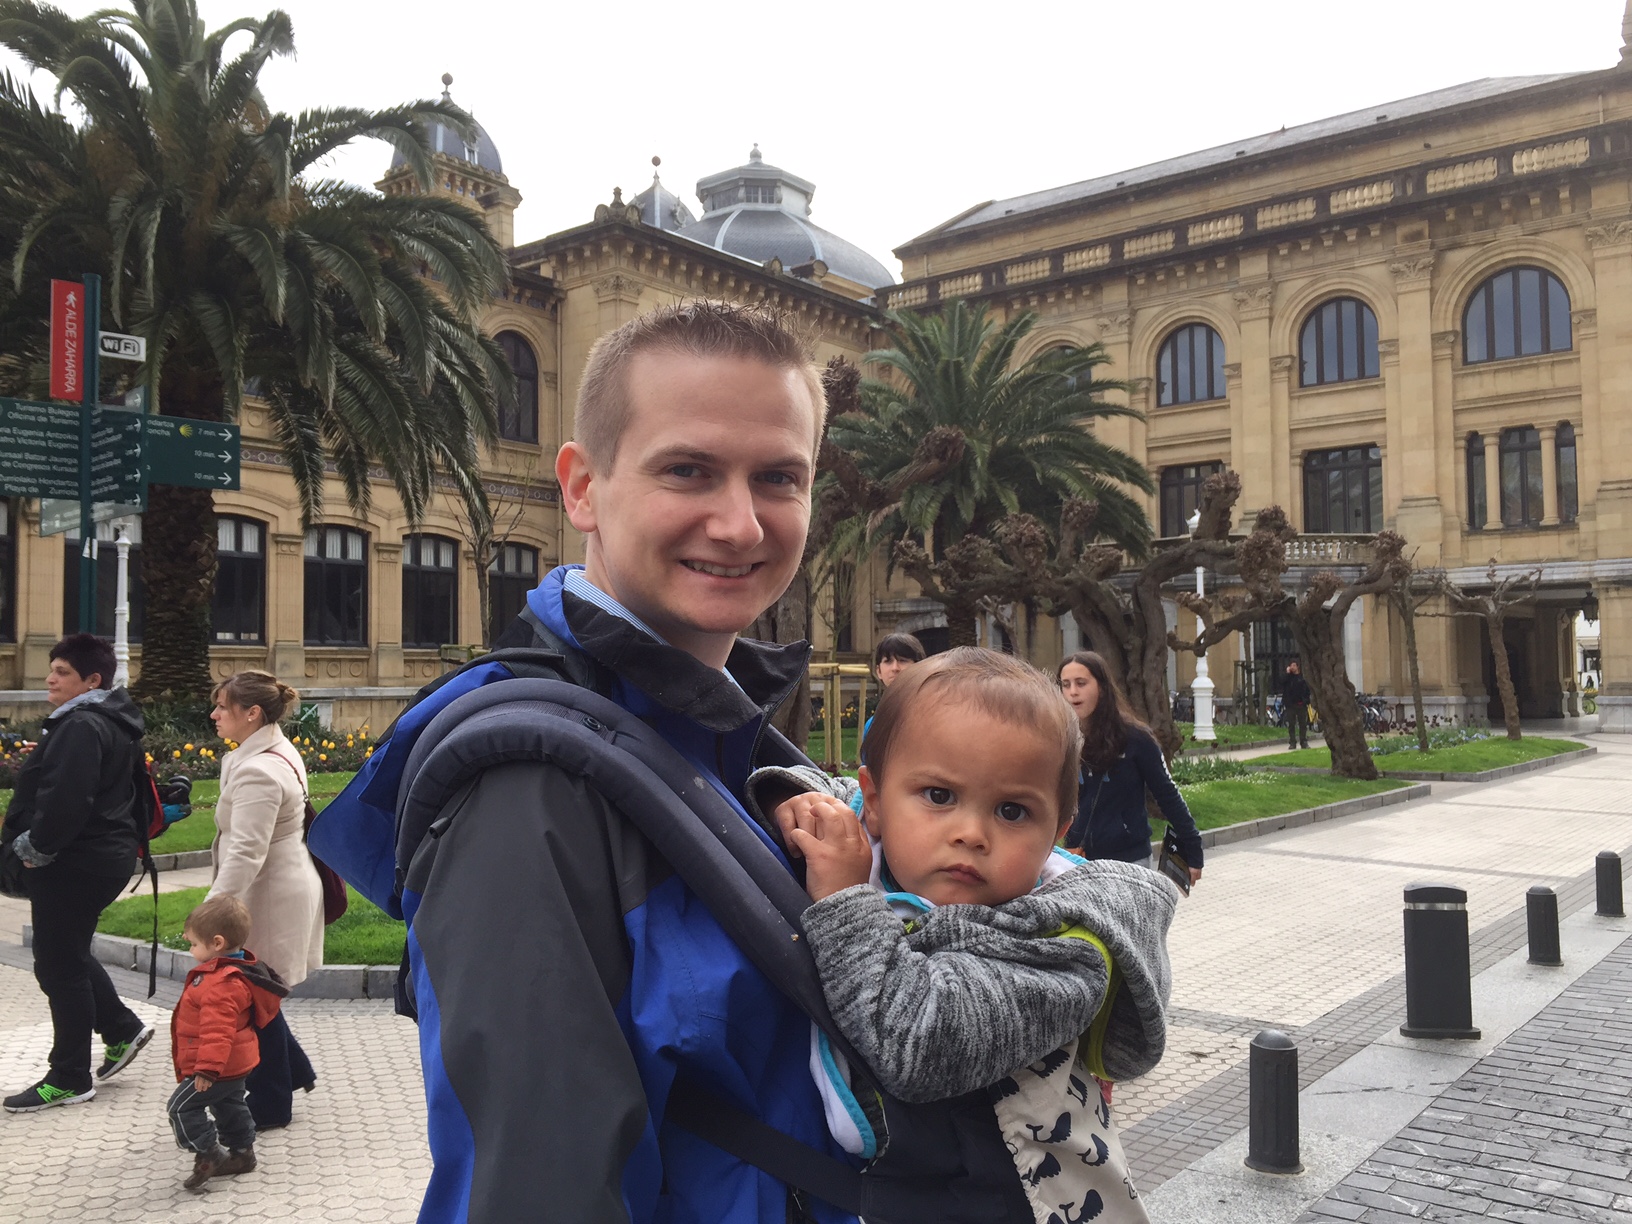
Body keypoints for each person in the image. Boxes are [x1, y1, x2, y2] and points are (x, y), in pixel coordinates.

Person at [387, 302, 1047, 1223]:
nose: (740, 525)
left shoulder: (726, 741)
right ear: (582, 488)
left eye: (778, 478)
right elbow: (537, 1187)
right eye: (688, 470)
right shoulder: (531, 788)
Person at [761, 648, 1176, 1223]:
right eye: (939, 796)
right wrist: (793, 803)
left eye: (1012, 811)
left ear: (1058, 831)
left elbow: (918, 1044)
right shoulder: (873, 836)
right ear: (875, 804)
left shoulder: (1061, 953)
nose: (972, 833)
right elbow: (826, 788)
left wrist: (843, 899)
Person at [1, 633, 153, 1113]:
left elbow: (66, 798)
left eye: (62, 672)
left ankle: (69, 1077)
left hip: (74, 862)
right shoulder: (104, 719)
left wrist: (35, 849)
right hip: (99, 857)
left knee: (58, 967)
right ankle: (121, 1029)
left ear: (92, 680)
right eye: (52, 668)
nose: (50, 678)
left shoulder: (82, 725)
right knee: (66, 951)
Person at [205, 671, 320, 1130]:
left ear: (252, 713)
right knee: (260, 991)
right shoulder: (265, 751)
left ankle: (272, 1104)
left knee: (254, 997)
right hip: (275, 885)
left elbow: (246, 851)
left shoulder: (259, 770)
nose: (214, 714)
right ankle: (296, 1072)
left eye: (222, 706)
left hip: (270, 894)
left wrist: (212, 912)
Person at [167, 894, 287, 1190]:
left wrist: (207, 1069)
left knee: (180, 1108)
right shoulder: (232, 973)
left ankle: (209, 1153)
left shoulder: (220, 984)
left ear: (217, 943)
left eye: (194, 944)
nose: (191, 949)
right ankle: (242, 1154)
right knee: (229, 1107)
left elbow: (218, 1031)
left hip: (217, 1067)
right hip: (236, 1063)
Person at [1056, 651, 1203, 884]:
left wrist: (1193, 851)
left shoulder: (1136, 738)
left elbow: (1168, 795)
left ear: (1102, 687)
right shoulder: (1062, 738)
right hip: (1078, 860)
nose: (1073, 691)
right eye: (1066, 684)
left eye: (1081, 683)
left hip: (1129, 861)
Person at [861, 631, 924, 739]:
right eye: (888, 661)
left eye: (902, 660)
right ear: (878, 671)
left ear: (919, 667)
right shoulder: (873, 725)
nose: (895, 668)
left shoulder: (932, 717)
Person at [1283, 660, 1312, 751]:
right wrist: (1287, 674)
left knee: (1303, 724)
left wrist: (1305, 701)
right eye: (1291, 665)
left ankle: (1303, 742)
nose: (1292, 667)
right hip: (1290, 705)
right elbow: (1282, 683)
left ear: (1297, 667)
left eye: (1294, 665)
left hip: (1301, 704)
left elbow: (1307, 690)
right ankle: (1292, 742)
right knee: (1291, 724)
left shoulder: (1302, 678)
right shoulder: (1288, 678)